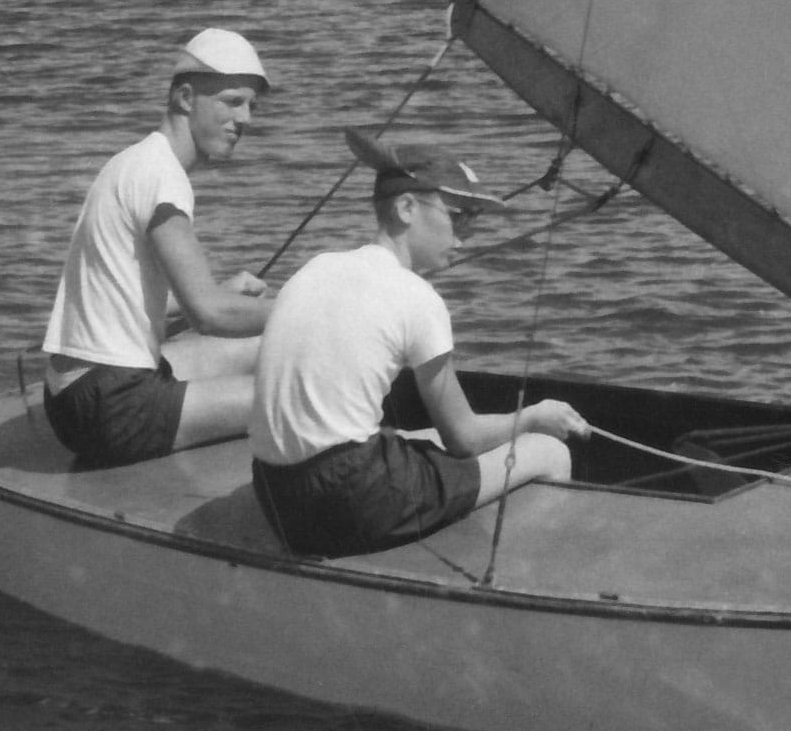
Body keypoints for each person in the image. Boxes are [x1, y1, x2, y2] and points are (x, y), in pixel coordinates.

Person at [247, 134, 587, 558]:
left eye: (474, 220)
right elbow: (463, 437)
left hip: (277, 497)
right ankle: (530, 585)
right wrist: (535, 416)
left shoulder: (316, 268)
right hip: (355, 501)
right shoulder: (416, 296)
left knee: (414, 436)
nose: (465, 235)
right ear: (406, 207)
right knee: (548, 451)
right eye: (460, 216)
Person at [40, 27, 277, 469]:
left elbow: (124, 301)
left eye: (251, 106)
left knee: (265, 349)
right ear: (186, 99)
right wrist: (313, 309)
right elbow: (211, 315)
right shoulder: (164, 178)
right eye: (231, 101)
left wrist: (223, 289)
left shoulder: (134, 161)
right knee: (295, 392)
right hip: (112, 408)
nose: (245, 118)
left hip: (70, 394)